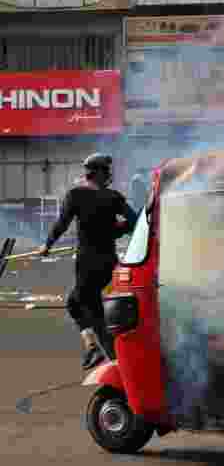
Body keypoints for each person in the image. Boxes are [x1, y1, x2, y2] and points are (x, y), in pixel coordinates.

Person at [41, 153, 138, 370]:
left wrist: (47, 245)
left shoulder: (75, 195)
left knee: (95, 317)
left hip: (87, 265)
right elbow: (133, 223)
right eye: (106, 170)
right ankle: (93, 347)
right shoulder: (114, 197)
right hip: (108, 265)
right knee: (74, 303)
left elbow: (61, 224)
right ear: (97, 173)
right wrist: (112, 231)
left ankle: (116, 364)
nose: (109, 174)